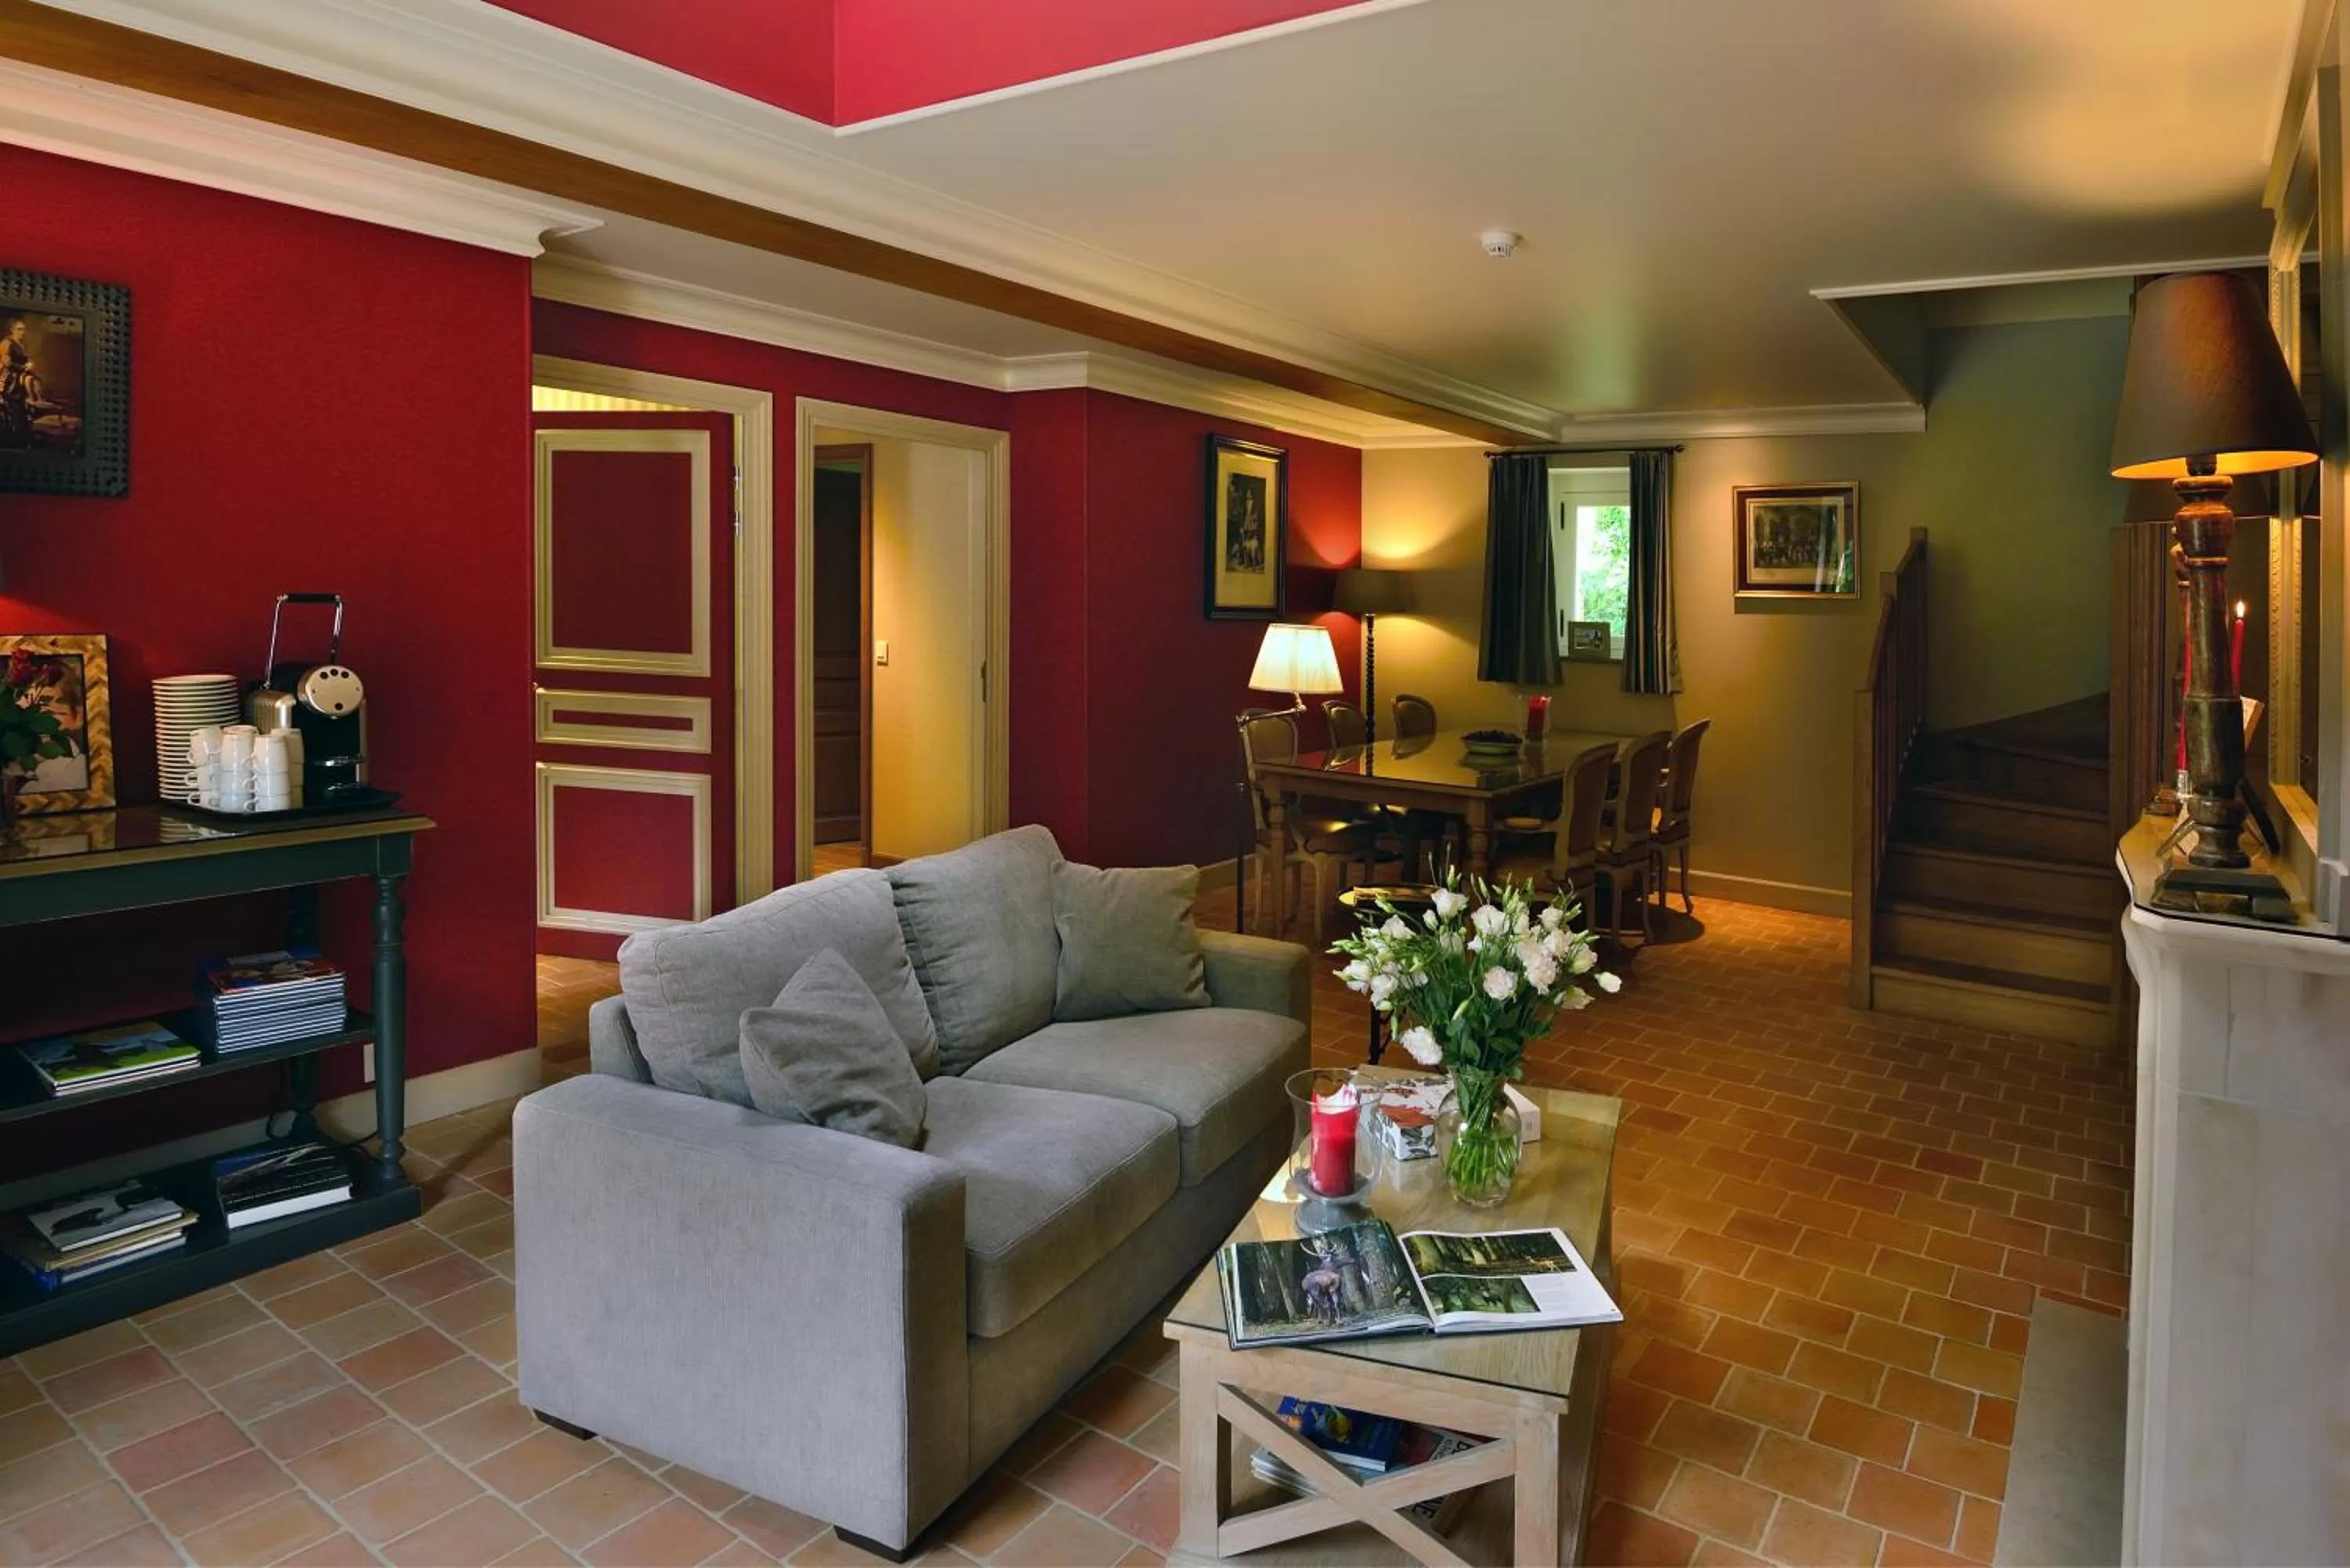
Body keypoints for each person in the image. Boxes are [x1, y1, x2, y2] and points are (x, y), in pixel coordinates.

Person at [0, 318, 34, 449]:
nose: (23, 332)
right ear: (12, 330)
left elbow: (26, 360)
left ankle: (21, 442)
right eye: (20, 329)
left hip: (19, 384)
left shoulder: (20, 345)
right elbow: (7, 363)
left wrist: (30, 365)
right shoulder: (7, 343)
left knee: (20, 413)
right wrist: (24, 368)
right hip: (9, 383)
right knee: (12, 413)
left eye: (24, 329)